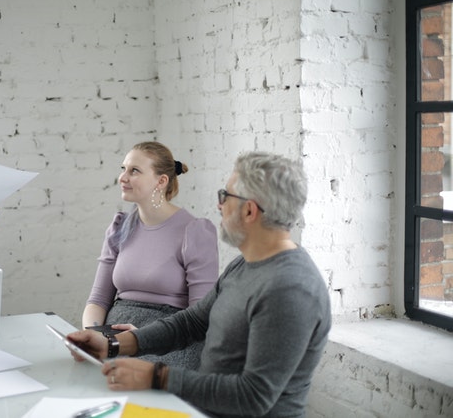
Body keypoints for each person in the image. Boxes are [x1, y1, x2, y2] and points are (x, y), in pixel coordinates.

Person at [69, 151, 332, 418]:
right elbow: (191, 322)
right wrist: (114, 344)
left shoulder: (290, 290)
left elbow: (253, 396)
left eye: (225, 196)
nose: (219, 205)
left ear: (250, 210)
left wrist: (157, 376)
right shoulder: (246, 263)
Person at [82, 141, 219, 369]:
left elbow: (200, 319)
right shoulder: (119, 227)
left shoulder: (195, 231)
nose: (122, 178)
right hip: (115, 340)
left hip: (170, 343)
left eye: (134, 171)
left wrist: (143, 339)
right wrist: (93, 335)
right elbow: (97, 300)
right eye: (123, 168)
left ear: (161, 181)